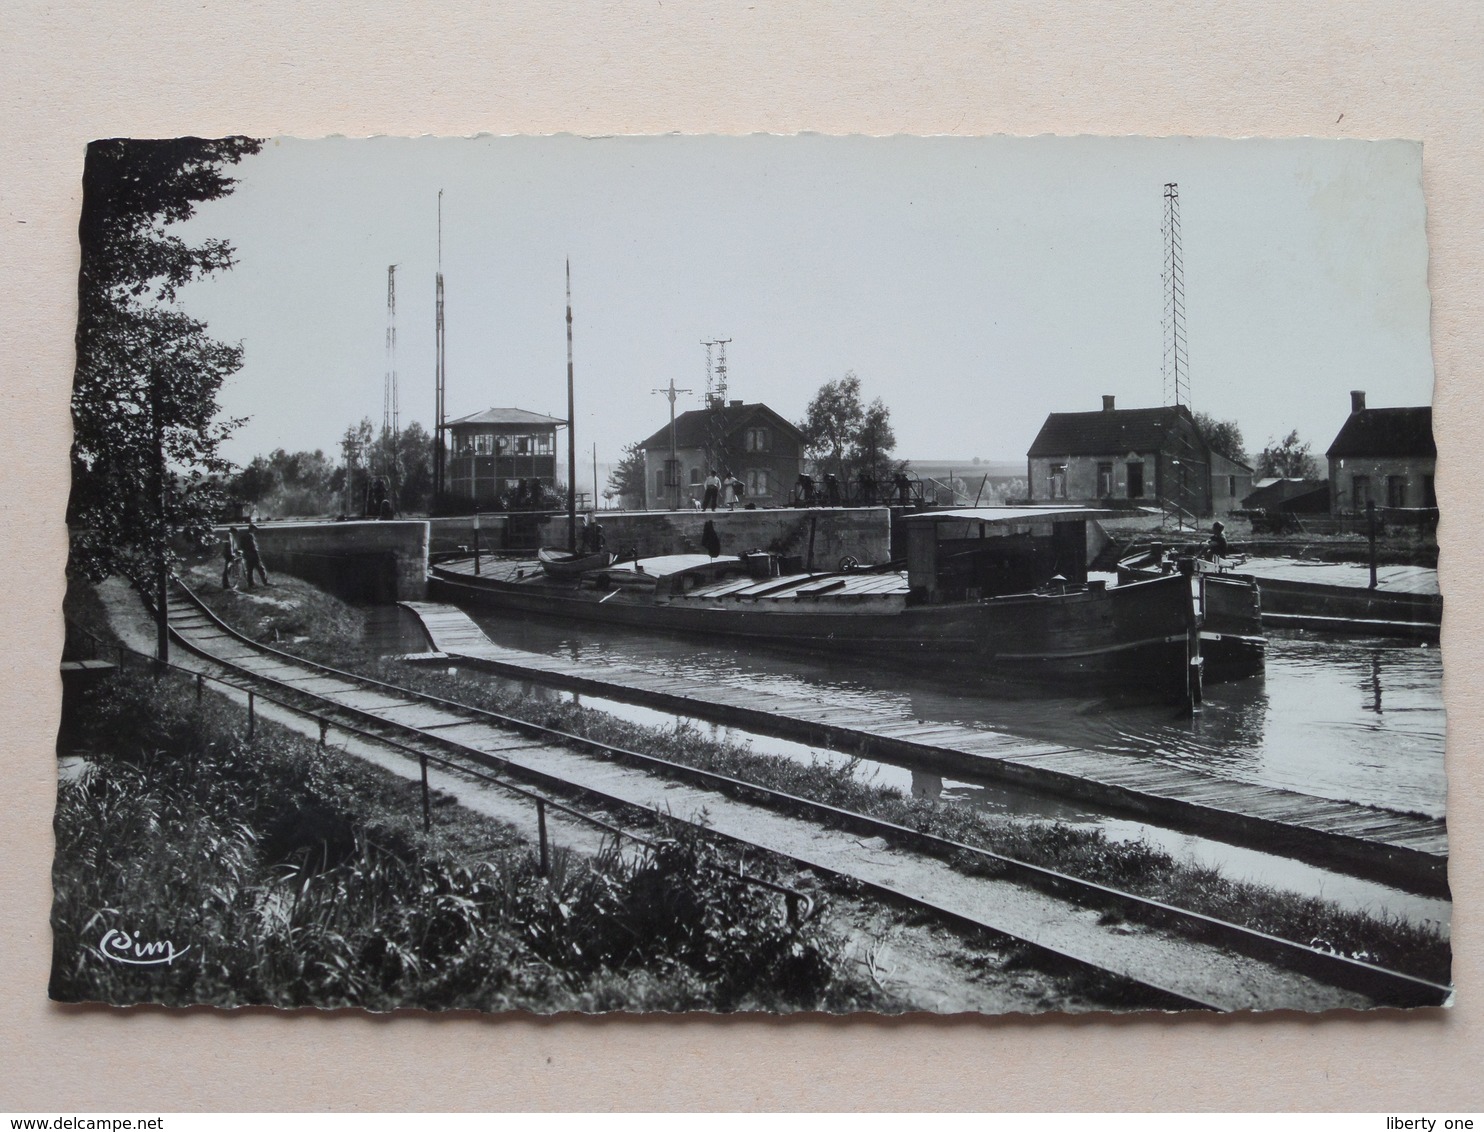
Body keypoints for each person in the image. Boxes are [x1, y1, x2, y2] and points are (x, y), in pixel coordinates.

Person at [240, 519, 271, 589]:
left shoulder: (243, 536)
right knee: (261, 569)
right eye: (254, 529)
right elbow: (253, 546)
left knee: (249, 570)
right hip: (253, 555)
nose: (255, 531)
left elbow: (242, 546)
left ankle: (251, 584)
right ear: (252, 529)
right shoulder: (250, 536)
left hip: (247, 555)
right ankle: (265, 582)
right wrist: (257, 555)